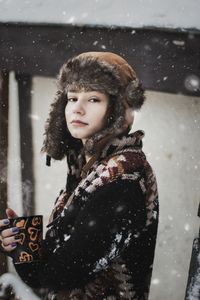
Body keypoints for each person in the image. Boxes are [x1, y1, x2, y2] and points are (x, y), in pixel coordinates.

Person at [0, 52, 159, 300]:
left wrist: (24, 249)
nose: (78, 108)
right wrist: (21, 239)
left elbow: (58, 276)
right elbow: (53, 267)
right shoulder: (87, 163)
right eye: (72, 97)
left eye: (93, 99)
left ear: (117, 109)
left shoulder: (123, 179)